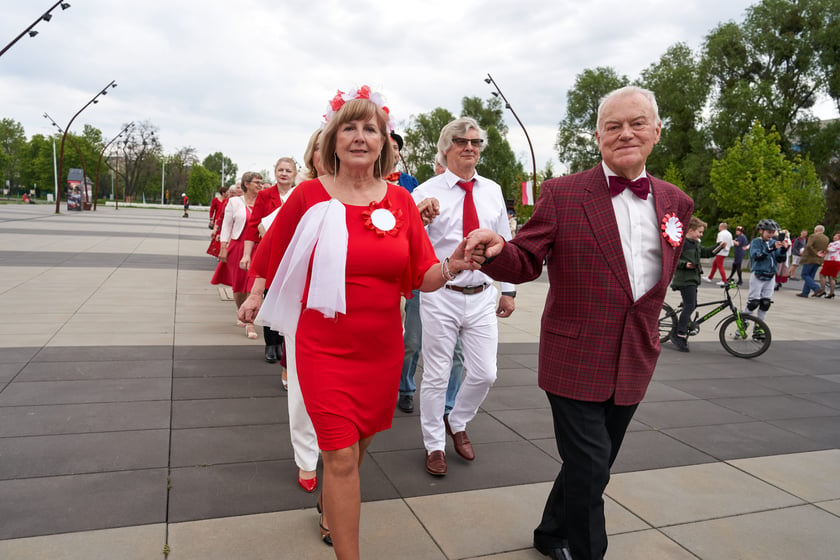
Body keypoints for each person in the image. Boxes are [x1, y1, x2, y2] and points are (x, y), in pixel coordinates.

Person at [239, 86, 477, 560]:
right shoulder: (307, 195)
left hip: (381, 351)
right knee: (342, 454)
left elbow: (422, 275)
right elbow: (271, 251)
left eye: (370, 128)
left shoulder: (401, 202)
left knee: (357, 445)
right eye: (349, 126)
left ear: (384, 141)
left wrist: (457, 262)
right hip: (322, 346)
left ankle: (331, 500)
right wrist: (255, 291)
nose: (360, 136)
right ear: (332, 138)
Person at [464, 86, 693, 560]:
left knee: (592, 462)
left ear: (656, 131)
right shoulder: (563, 192)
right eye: (612, 126)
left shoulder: (675, 201)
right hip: (574, 355)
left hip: (634, 357)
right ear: (597, 137)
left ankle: (550, 533)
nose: (625, 133)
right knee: (591, 470)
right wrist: (496, 250)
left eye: (636, 123)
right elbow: (527, 258)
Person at [412, 117, 515, 478]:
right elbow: (411, 245)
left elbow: (505, 239)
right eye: (460, 141)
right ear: (445, 148)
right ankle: (434, 444)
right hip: (442, 293)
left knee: (486, 373)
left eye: (475, 142)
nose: (469, 147)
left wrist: (510, 289)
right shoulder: (425, 192)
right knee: (437, 374)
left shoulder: (492, 190)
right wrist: (420, 218)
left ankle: (458, 419)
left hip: (484, 293)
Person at [391, 131, 465, 416]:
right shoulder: (422, 190)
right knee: (412, 341)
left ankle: (448, 406)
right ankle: (406, 387)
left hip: (450, 278)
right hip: (420, 273)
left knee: (456, 352)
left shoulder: (410, 183)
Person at [211, 174, 262, 339]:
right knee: (239, 285)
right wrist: (223, 247)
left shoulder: (264, 201)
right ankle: (240, 308)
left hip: (258, 248)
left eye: (261, 182)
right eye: (257, 182)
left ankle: (250, 323)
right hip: (238, 245)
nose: (260, 185)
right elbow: (227, 225)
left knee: (253, 285)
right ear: (246, 184)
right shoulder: (234, 202)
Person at [669, 217, 724, 352]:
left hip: (692, 279)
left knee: (691, 305)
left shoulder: (695, 243)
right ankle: (679, 334)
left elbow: (707, 253)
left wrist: (719, 247)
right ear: (691, 230)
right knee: (690, 305)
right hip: (684, 279)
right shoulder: (682, 243)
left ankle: (680, 327)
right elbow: (673, 259)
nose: (701, 235)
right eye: (699, 232)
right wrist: (685, 264)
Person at [744, 219, 788, 333]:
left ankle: (759, 328)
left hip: (771, 276)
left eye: (773, 232)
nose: (771, 235)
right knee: (753, 303)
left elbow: (779, 259)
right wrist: (771, 248)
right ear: (761, 231)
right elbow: (757, 256)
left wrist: (783, 249)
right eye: (768, 232)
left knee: (765, 303)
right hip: (758, 275)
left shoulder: (773, 242)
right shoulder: (756, 242)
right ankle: (744, 321)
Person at [798, 225, 830, 298]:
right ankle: (805, 292)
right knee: (811, 276)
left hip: (810, 258)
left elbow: (809, 246)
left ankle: (817, 288)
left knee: (805, 274)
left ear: (815, 230)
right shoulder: (826, 238)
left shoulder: (813, 236)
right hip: (819, 259)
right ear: (823, 231)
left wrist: (815, 253)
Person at [206, 185, 232, 258]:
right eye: (227, 192)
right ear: (223, 193)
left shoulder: (229, 201)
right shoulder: (216, 200)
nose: (228, 193)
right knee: (217, 237)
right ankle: (218, 252)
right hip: (217, 221)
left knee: (223, 236)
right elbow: (212, 210)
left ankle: (221, 252)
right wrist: (211, 219)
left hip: (225, 221)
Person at [817, 231, 840, 299]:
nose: (835, 237)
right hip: (830, 260)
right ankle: (831, 293)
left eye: (838, 236)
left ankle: (823, 290)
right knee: (831, 277)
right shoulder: (832, 243)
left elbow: (830, 250)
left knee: (822, 274)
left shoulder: (838, 243)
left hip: (832, 261)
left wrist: (821, 247)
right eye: (835, 235)